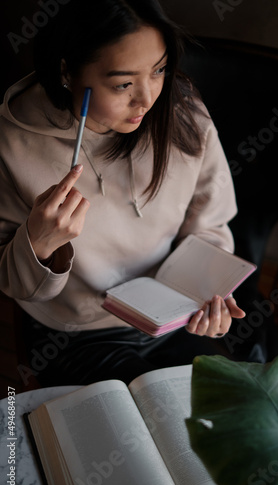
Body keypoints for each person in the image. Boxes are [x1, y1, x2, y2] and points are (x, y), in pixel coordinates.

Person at [0, 0, 245, 386]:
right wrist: (40, 245)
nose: (148, 99)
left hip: (172, 317)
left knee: (223, 411)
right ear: (67, 71)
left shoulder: (182, 112)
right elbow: (14, 282)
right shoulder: (10, 145)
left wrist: (206, 297)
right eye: (123, 84)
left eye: (159, 70)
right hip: (76, 331)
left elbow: (210, 223)